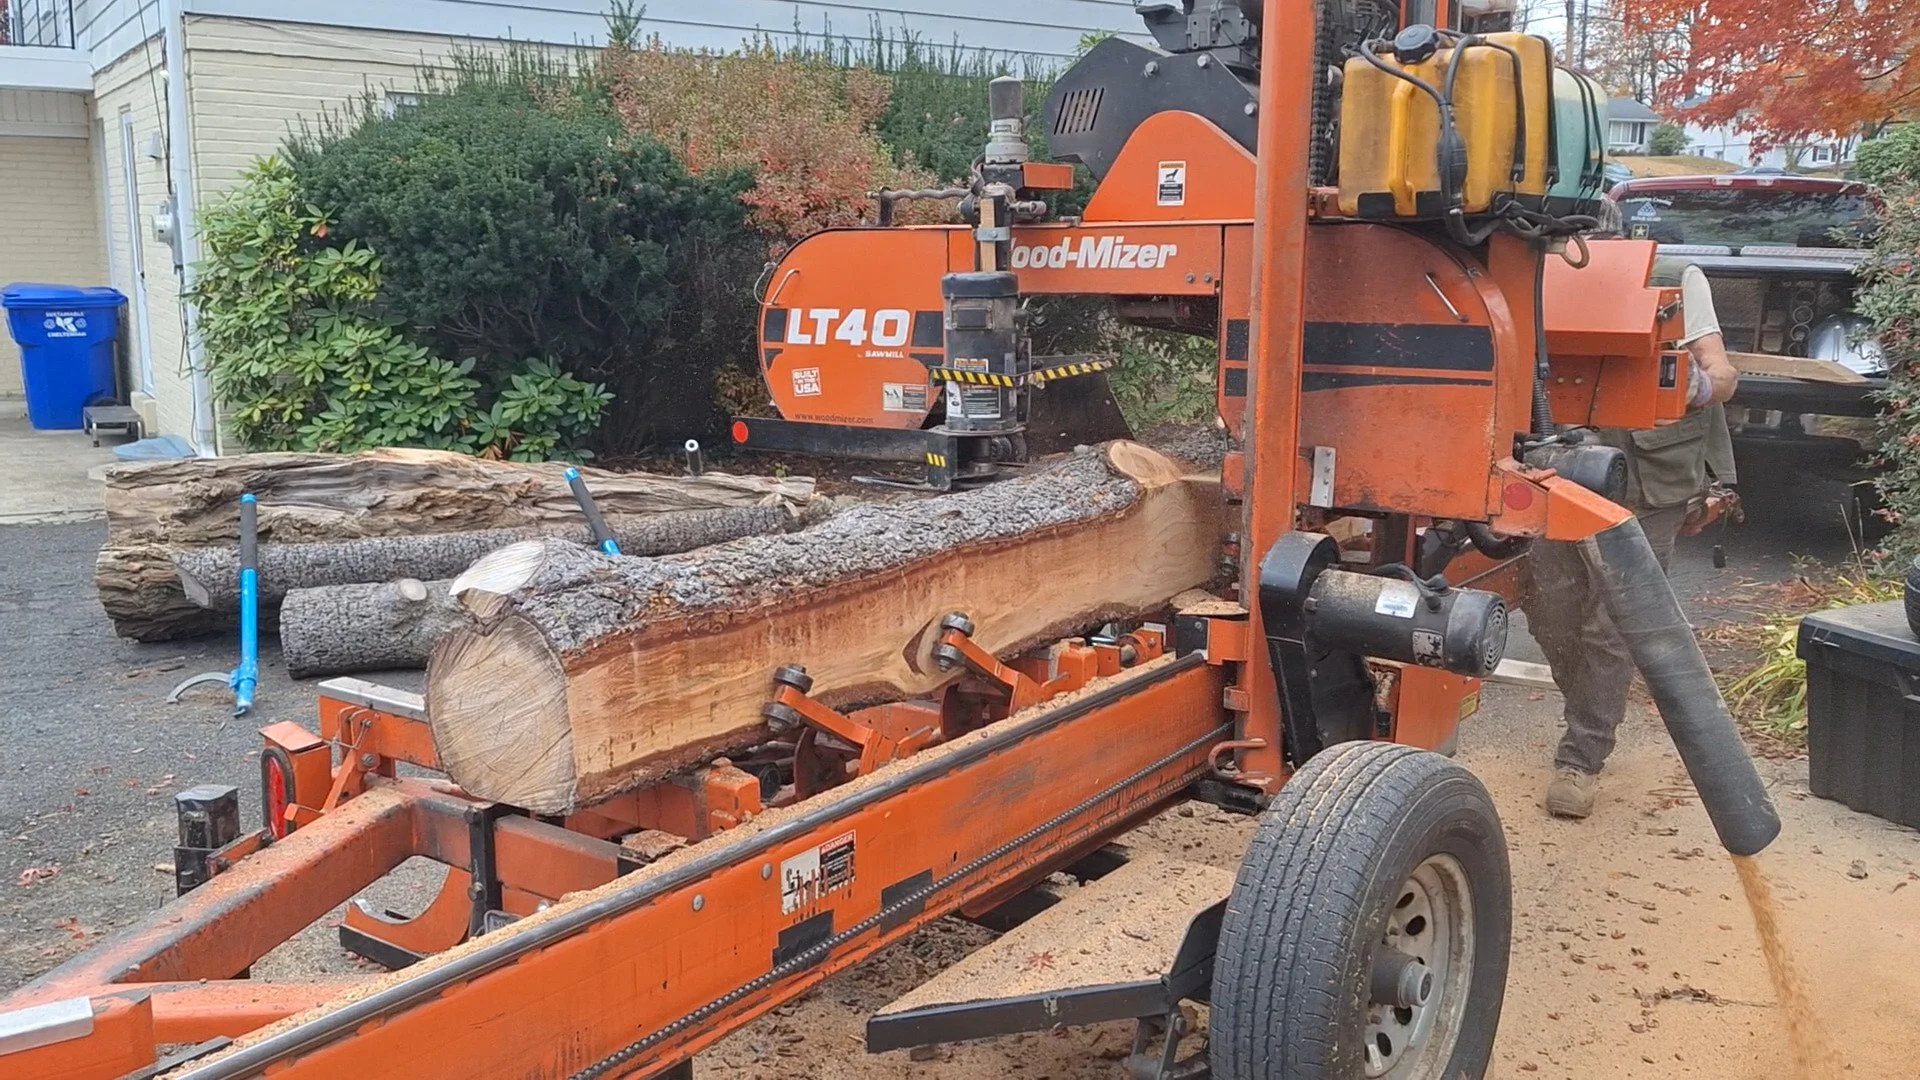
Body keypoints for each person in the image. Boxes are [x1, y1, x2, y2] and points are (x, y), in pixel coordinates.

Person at [1528, 197, 1741, 819]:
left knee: (1610, 623)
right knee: (1550, 609)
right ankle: (1590, 709)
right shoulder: (1532, 273)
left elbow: (1721, 375)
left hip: (1652, 477)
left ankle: (1581, 756)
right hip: (1561, 466)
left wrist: (1701, 387)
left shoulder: (1676, 277)